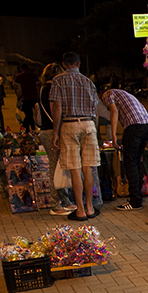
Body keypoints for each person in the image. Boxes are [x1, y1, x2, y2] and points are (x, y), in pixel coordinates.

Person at [50, 51, 100, 221]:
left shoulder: (58, 80)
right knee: (89, 168)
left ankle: (79, 210)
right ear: (79, 64)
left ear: (64, 64)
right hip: (89, 124)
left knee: (75, 169)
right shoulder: (88, 82)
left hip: (69, 124)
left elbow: (57, 107)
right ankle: (90, 207)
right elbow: (95, 110)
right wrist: (95, 129)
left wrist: (55, 132)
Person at [101, 87, 148, 211]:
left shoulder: (108, 94)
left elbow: (114, 111)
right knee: (137, 161)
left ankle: (135, 201)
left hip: (133, 126)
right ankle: (139, 196)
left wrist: (114, 136)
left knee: (130, 163)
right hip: (146, 123)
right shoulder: (124, 94)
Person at [37, 62, 75, 216]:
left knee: (60, 166)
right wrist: (57, 133)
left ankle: (64, 200)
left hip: (46, 130)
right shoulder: (52, 89)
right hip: (52, 131)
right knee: (55, 167)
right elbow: (55, 111)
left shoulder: (42, 89)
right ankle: (55, 203)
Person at [14, 64, 40, 131]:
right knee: (33, 114)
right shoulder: (33, 75)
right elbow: (38, 84)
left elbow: (15, 86)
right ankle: (32, 127)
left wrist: (18, 94)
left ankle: (26, 127)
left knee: (28, 114)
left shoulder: (19, 76)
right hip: (34, 97)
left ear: (21, 69)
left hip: (25, 97)